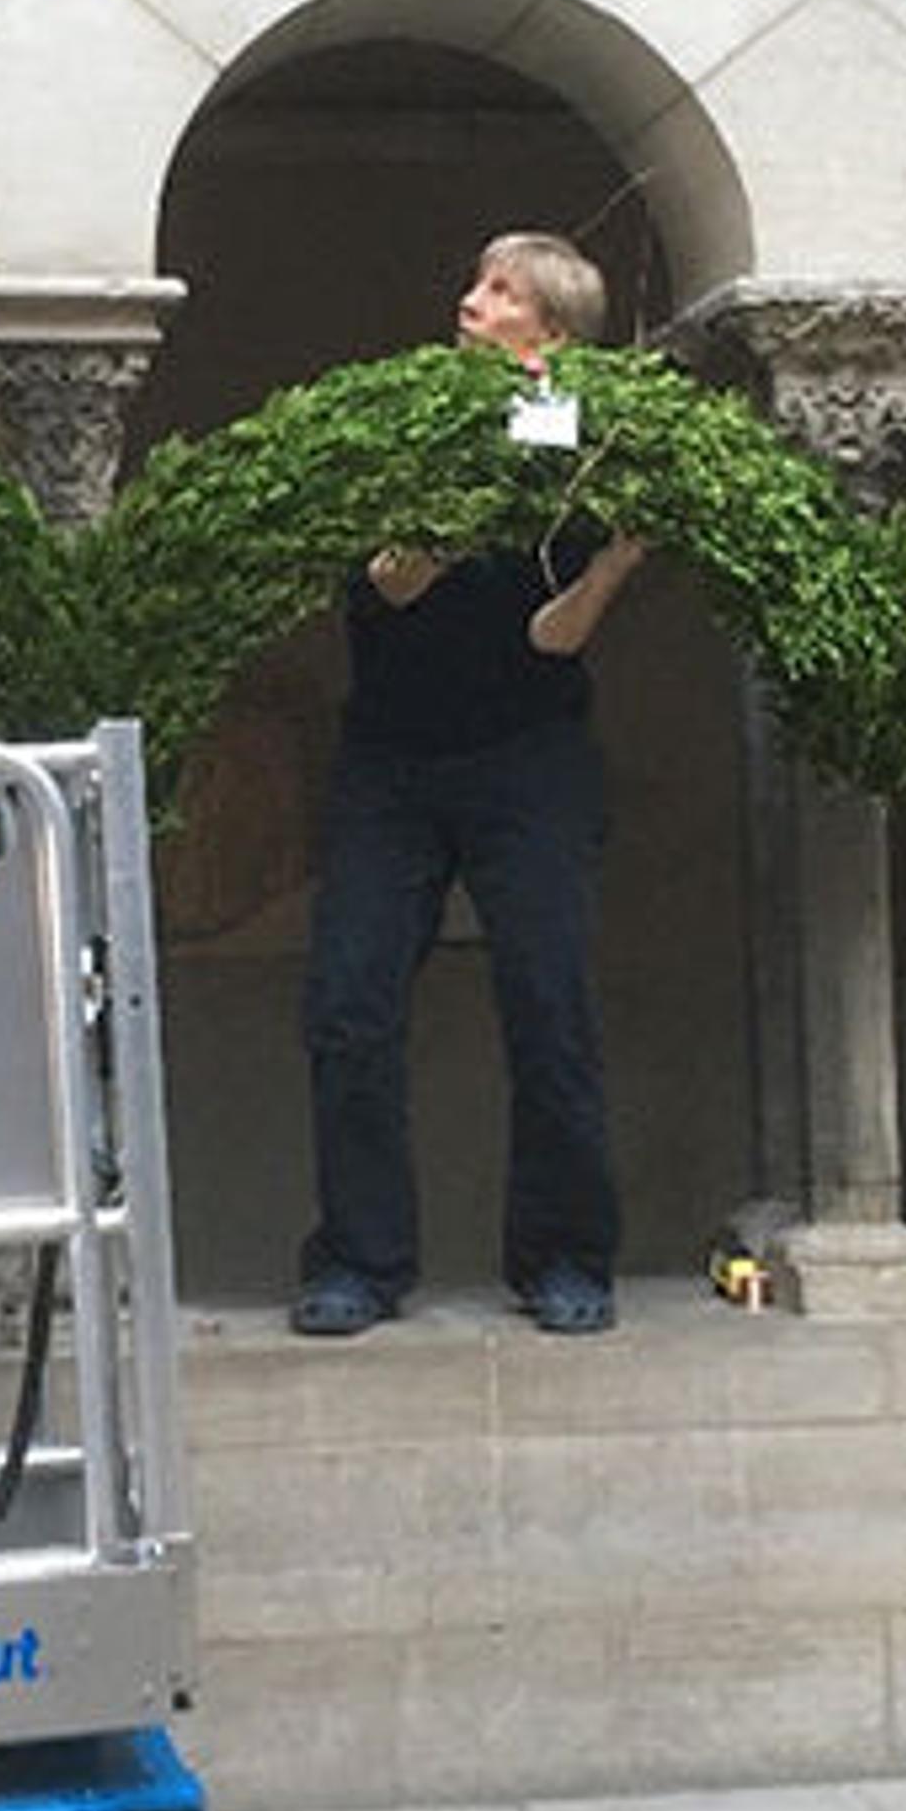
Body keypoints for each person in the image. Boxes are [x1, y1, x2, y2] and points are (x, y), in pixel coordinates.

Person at [293, 232, 649, 1341]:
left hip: (528, 760)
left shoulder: (580, 449)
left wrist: (612, 563)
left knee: (550, 1008)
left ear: (551, 333)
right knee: (349, 1007)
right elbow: (388, 584)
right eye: (481, 283)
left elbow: (553, 638)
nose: (472, 301)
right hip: (389, 763)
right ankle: (359, 1260)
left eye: (502, 293)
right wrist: (472, 489)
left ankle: (564, 1257)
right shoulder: (409, 428)